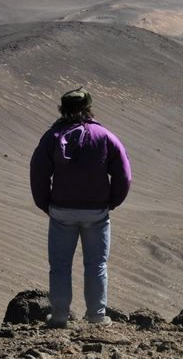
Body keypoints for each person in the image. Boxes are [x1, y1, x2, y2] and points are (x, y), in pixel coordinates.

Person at [30, 88, 132, 328]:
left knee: (60, 266)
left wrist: (45, 204)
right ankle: (96, 317)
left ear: (62, 109)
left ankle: (59, 317)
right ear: (89, 108)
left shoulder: (52, 137)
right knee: (96, 264)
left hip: (61, 211)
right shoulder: (105, 136)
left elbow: (38, 173)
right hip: (97, 212)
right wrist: (112, 201)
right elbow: (124, 175)